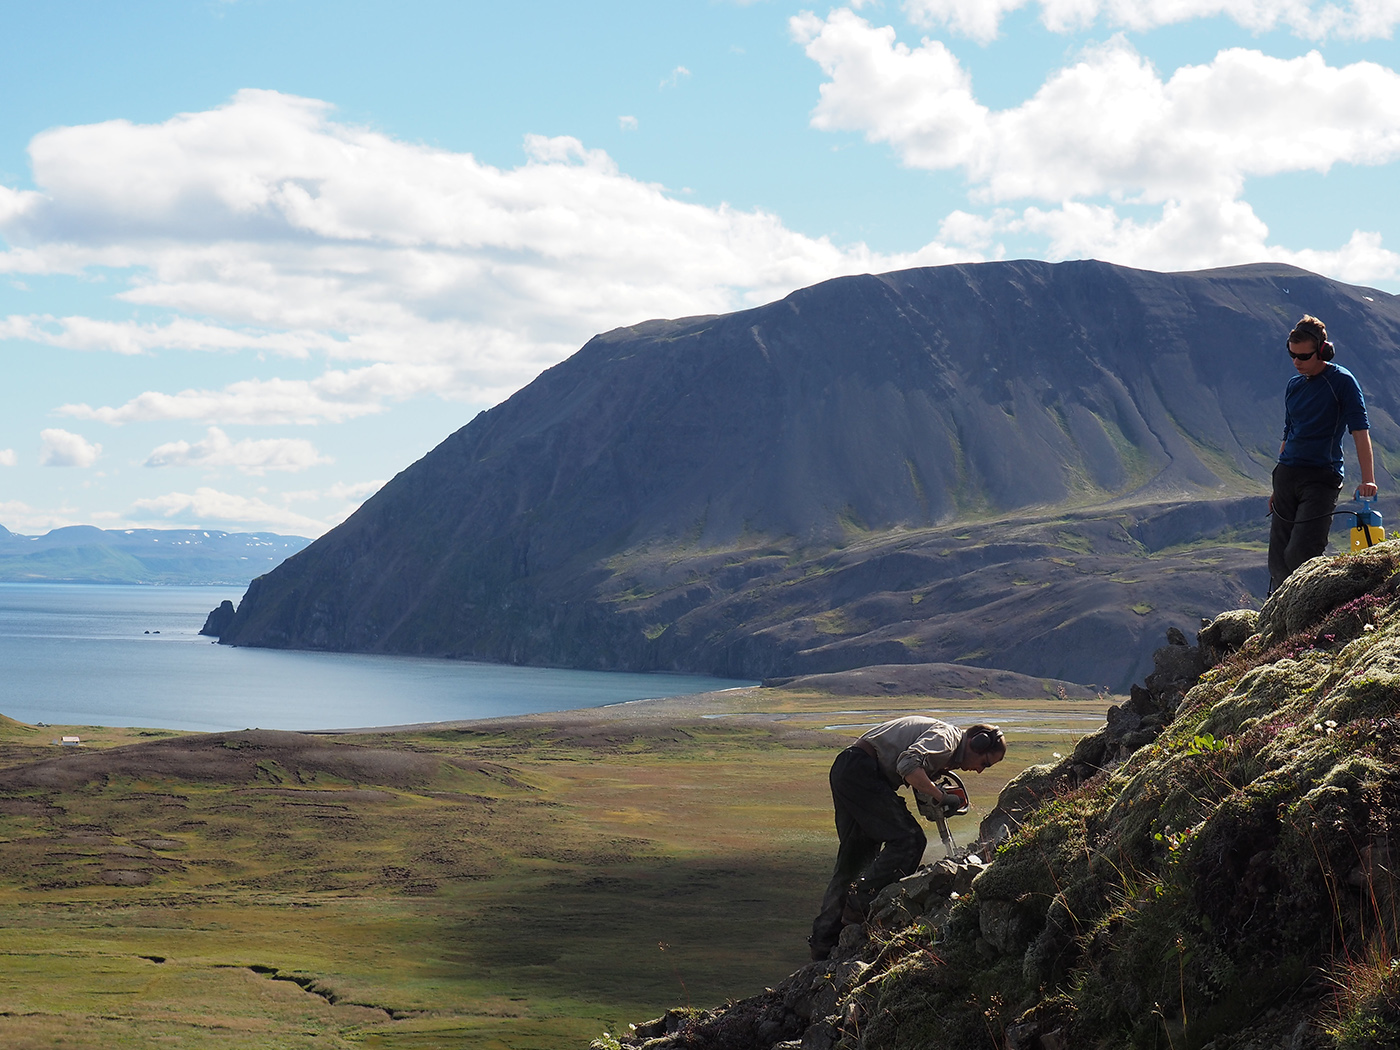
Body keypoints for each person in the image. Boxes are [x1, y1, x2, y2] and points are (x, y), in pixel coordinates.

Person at [807, 716, 1005, 960]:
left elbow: (913, 770)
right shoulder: (947, 737)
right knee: (910, 840)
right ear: (978, 743)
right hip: (862, 770)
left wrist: (933, 791)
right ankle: (861, 907)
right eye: (984, 762)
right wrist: (941, 796)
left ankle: (823, 945)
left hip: (850, 769)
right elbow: (908, 766)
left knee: (854, 860)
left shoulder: (945, 745)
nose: (980, 770)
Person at [1268, 315, 1378, 595]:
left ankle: (1313, 612)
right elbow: (1288, 434)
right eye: (1292, 355)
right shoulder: (1294, 386)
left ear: (1323, 351)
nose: (1296, 362)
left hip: (1321, 478)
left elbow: (1360, 431)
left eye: (1303, 356)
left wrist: (1369, 480)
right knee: (1278, 560)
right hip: (1286, 477)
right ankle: (1284, 629)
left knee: (1300, 554)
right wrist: (1275, 487)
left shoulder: (1342, 382)